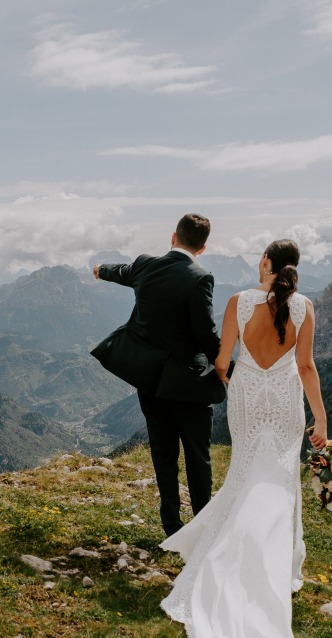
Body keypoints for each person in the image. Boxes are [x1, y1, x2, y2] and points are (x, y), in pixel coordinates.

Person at [159, 238, 327, 638]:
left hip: (249, 398)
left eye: (262, 259)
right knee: (276, 482)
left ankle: (235, 546)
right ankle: (271, 553)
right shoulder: (306, 308)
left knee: (245, 473)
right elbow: (306, 366)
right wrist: (321, 420)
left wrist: (233, 380)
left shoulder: (240, 301)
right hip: (286, 402)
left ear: (269, 265)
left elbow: (223, 358)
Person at [93, 213, 221, 536]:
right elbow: (206, 335)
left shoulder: (145, 266)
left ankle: (172, 526)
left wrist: (99, 270)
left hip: (150, 382)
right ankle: (203, 526)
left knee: (163, 454)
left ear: (172, 237)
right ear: (203, 248)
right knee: (197, 456)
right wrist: (228, 368)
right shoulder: (200, 278)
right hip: (188, 386)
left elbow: (119, 272)